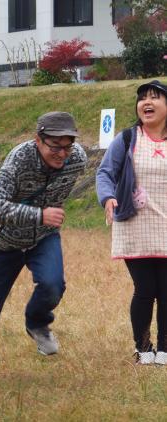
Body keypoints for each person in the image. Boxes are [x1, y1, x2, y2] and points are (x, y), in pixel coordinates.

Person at [0, 111, 87, 380]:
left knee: (53, 284)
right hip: (4, 243)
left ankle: (37, 323)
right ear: (38, 140)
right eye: (55, 146)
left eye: (67, 146)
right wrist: (39, 215)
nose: (62, 154)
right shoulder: (19, 159)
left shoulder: (77, 159)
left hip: (43, 237)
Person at [96, 80, 167, 365]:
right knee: (145, 289)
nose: (146, 103)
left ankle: (165, 350)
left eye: (154, 97)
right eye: (142, 99)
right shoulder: (127, 139)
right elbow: (105, 173)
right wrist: (108, 198)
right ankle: (143, 348)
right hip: (135, 226)